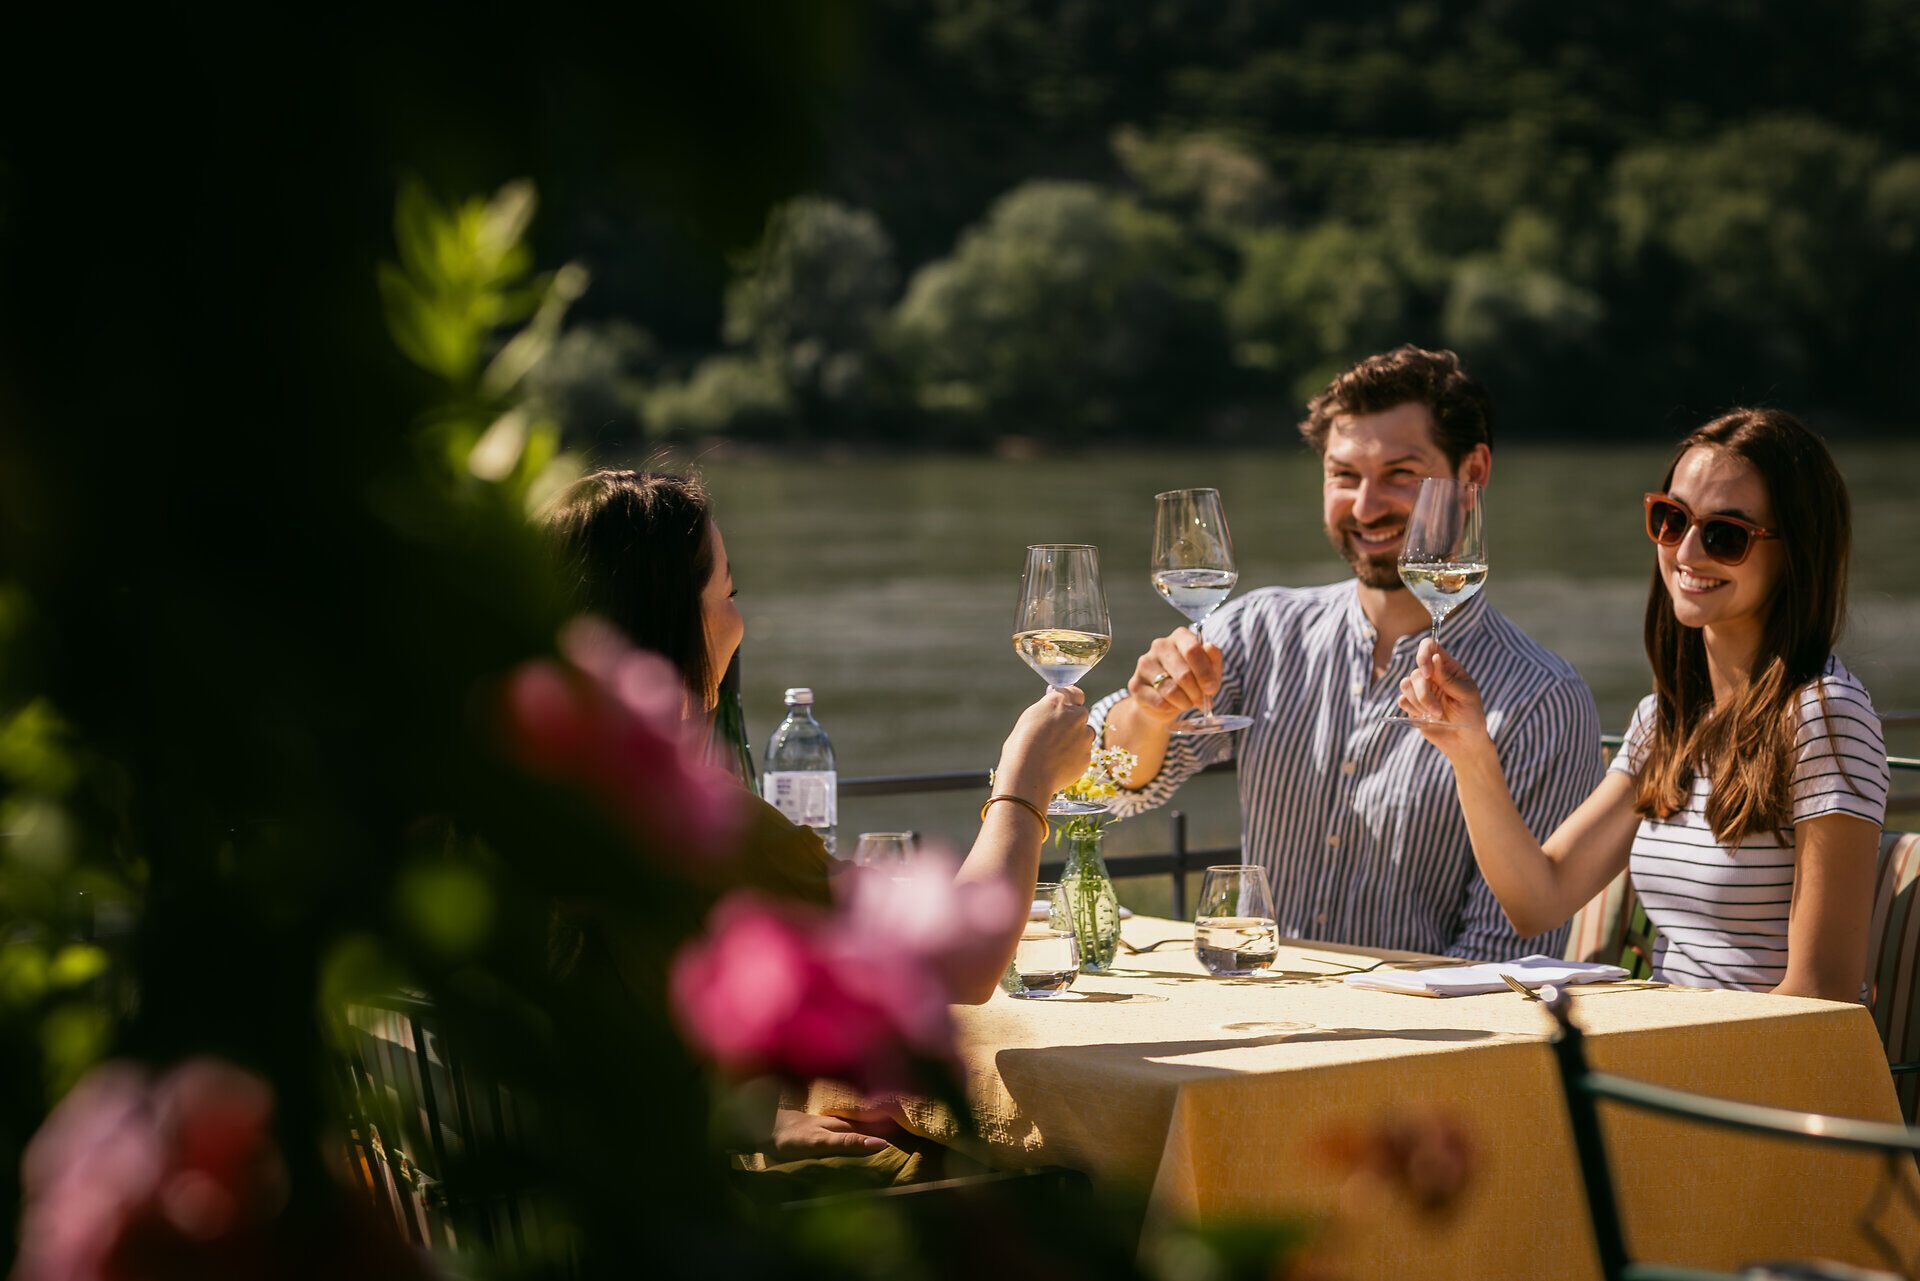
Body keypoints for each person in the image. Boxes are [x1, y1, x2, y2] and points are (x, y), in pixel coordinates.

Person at [543, 468, 1093, 1164]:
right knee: (1016, 1169)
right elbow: (966, 960)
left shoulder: (512, 804)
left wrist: (749, 1120)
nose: (739, 620)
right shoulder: (683, 822)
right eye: (727, 593)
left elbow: (599, 1060)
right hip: (699, 1231)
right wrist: (1026, 781)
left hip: (572, 1211)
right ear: (673, 623)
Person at [1094, 346, 1601, 961]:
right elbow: (1112, 785)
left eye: (1401, 474)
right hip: (1257, 1005)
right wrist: (1148, 714)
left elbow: (1505, 960)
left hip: (1425, 1042)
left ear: (1474, 476)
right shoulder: (1264, 628)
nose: (1365, 508)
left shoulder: (1541, 698)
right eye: (1344, 476)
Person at [1399, 409, 1886, 1000]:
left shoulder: (1824, 716)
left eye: (1726, 534)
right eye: (1672, 519)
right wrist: (1470, 749)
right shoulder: (1667, 719)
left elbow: (1822, 993)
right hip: (1662, 1052)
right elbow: (1538, 898)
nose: (1687, 551)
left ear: (1795, 552)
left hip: (1747, 1076)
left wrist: (1660, 1061)